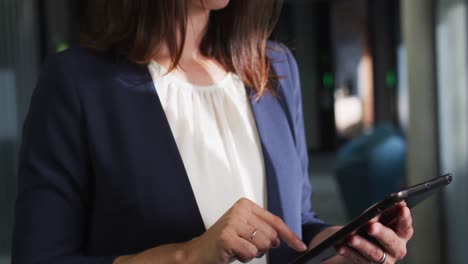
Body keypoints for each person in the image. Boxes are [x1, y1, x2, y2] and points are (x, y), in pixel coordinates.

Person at [12, 0, 413, 263]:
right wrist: (187, 255)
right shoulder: (77, 84)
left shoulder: (275, 69)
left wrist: (339, 244)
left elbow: (298, 221)